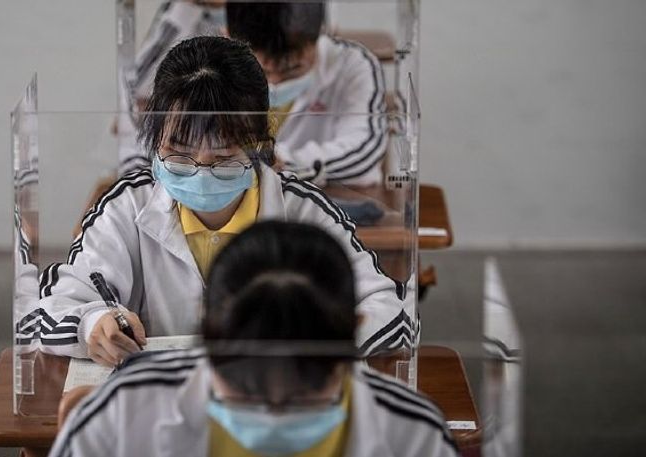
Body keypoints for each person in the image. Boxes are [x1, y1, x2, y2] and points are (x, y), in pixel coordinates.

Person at [24, 36, 412, 367]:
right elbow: (51, 308)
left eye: (224, 157)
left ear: (261, 147)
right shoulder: (127, 207)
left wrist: (315, 342)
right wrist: (92, 322)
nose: (200, 171)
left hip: (271, 402)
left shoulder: (303, 211)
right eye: (178, 154)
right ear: (154, 139)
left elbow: (389, 307)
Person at [49, 221, 456, 457]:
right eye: (244, 388)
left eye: (306, 391)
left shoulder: (414, 435)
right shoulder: (120, 415)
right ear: (206, 337)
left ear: (353, 335)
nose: (272, 413)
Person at [118, 2, 389, 186]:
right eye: (262, 71)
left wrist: (278, 163)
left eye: (294, 69)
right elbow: (136, 101)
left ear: (323, 33)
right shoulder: (207, 67)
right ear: (227, 36)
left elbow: (364, 152)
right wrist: (186, 7)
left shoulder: (355, 65)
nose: (275, 83)